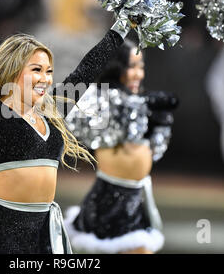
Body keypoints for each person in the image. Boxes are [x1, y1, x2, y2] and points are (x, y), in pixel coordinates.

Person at [0, 0, 130, 253]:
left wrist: (123, 25)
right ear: (13, 70)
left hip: (42, 233)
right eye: (36, 69)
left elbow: (87, 69)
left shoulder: (52, 113)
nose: (45, 79)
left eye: (49, 71)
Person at [64, 39, 178, 254]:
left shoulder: (138, 102)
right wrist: (143, 105)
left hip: (136, 197)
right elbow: (92, 131)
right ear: (115, 67)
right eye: (132, 66)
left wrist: (162, 123)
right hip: (110, 198)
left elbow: (154, 151)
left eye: (141, 66)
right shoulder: (99, 98)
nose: (139, 74)